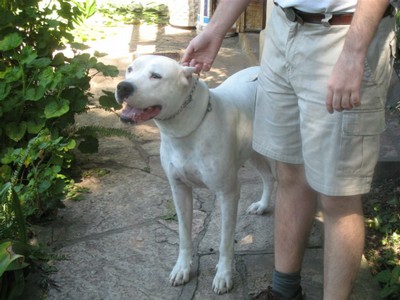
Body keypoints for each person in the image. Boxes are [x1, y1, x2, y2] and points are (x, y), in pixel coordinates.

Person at [182, 0, 397, 299]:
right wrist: (216, 29)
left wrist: (354, 53)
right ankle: (285, 292)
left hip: (344, 35)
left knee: (338, 195)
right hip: (283, 29)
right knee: (289, 172)